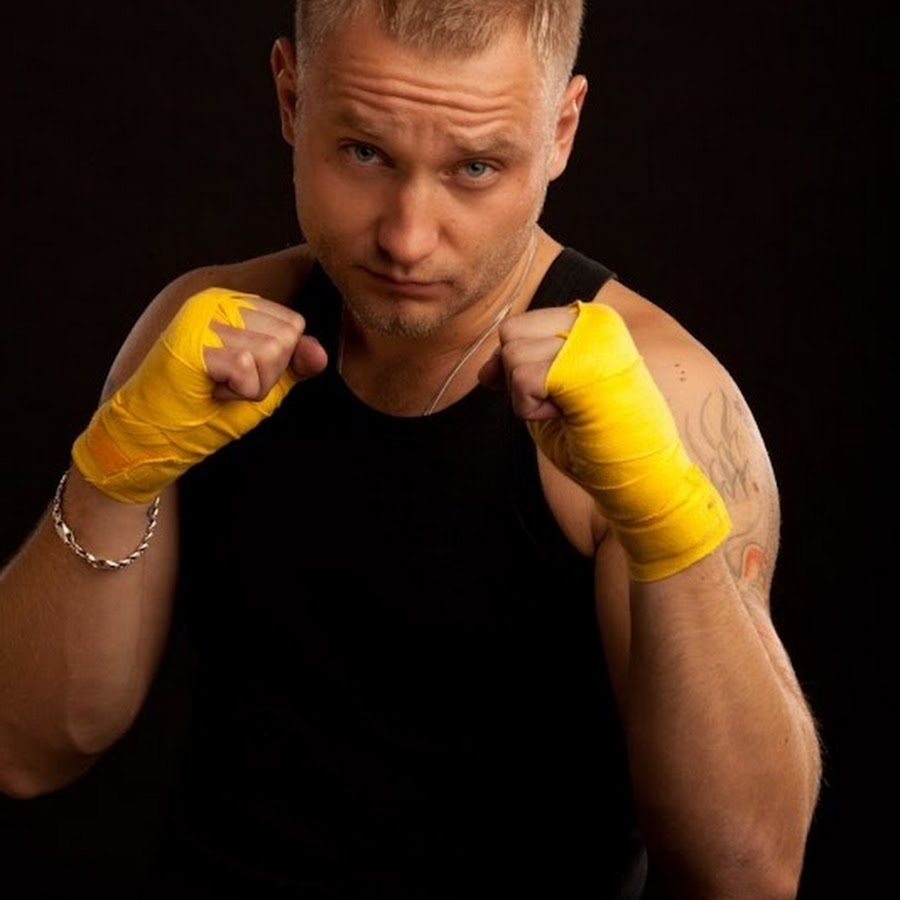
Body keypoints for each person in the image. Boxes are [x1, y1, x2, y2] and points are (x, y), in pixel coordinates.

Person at [0, 1, 821, 897]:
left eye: (475, 167)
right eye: (365, 153)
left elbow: (748, 874)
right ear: (290, 97)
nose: (406, 237)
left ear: (561, 130)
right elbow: (22, 749)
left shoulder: (669, 394)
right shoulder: (207, 339)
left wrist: (666, 517)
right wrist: (114, 467)